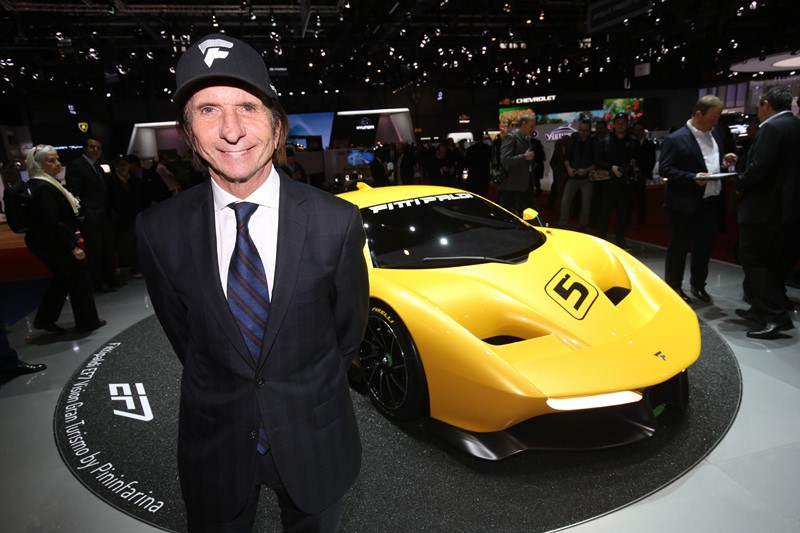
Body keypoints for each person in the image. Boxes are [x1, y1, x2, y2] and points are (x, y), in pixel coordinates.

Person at [135, 33, 370, 531]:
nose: (231, 130)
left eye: (247, 106)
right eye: (208, 110)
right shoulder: (158, 230)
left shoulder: (337, 222)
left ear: (277, 125)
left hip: (315, 437)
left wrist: (301, 385)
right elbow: (186, 337)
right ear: (189, 134)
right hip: (215, 441)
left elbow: (347, 332)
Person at [658, 95, 738, 304]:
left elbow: (712, 161)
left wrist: (724, 161)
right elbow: (665, 169)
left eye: (718, 117)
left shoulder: (716, 134)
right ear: (698, 114)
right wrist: (691, 177)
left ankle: (699, 284)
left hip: (711, 200)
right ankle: (673, 286)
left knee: (704, 246)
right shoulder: (676, 139)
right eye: (713, 117)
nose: (716, 122)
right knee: (679, 246)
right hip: (684, 202)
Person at [735, 85, 800, 339]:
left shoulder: (772, 128)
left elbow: (759, 167)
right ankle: (761, 309)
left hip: (765, 208)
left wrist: (739, 182)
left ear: (766, 104)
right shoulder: (795, 125)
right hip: (787, 208)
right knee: (773, 261)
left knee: (753, 258)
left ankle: (775, 316)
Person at [24, 145, 106, 333]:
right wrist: (72, 246)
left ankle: (44, 319)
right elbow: (52, 222)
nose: (57, 164)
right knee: (78, 278)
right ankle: (87, 323)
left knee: (63, 278)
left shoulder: (44, 184)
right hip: (53, 243)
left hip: (48, 241)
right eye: (51, 161)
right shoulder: (44, 186)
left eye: (58, 159)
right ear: (38, 164)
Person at [65, 135, 121, 293]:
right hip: (90, 216)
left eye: (98, 148)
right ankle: (98, 283)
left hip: (104, 215)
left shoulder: (97, 167)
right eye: (92, 147)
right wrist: (82, 214)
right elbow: (73, 192)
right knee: (95, 251)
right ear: (84, 148)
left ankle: (110, 279)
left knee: (108, 249)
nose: (96, 150)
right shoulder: (76, 165)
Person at [594, 112, 638, 249]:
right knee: (604, 212)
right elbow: (597, 160)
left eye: (623, 123)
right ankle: (601, 239)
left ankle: (620, 239)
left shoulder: (633, 141)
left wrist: (631, 167)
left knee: (623, 213)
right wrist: (611, 167)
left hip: (625, 182)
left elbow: (637, 159)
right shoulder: (605, 141)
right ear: (613, 125)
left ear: (627, 125)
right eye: (618, 123)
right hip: (608, 181)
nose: (620, 125)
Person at [107, 154, 145, 279]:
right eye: (120, 164)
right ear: (116, 166)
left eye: (126, 164)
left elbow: (140, 199)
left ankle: (138, 267)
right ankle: (128, 267)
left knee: (137, 244)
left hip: (135, 217)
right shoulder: (109, 181)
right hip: (119, 220)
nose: (123, 167)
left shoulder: (135, 180)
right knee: (124, 245)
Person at [498, 113, 536, 216]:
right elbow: (505, 159)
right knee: (507, 216)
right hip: (511, 187)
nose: (533, 129)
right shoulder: (511, 137)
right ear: (523, 124)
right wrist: (524, 157)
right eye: (531, 126)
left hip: (523, 185)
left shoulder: (526, 139)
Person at [560, 120, 595, 230]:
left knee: (586, 204)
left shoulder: (594, 143)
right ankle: (563, 224)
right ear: (579, 130)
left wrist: (586, 170)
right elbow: (566, 158)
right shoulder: (573, 143)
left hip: (587, 179)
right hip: (573, 178)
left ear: (589, 130)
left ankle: (582, 226)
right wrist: (569, 168)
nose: (583, 133)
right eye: (581, 130)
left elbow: (597, 162)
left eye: (586, 130)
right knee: (565, 201)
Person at [631, 121, 656, 228]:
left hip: (642, 175)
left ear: (644, 131)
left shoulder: (649, 144)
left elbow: (651, 161)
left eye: (640, 130)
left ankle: (641, 221)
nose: (637, 132)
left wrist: (646, 174)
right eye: (636, 130)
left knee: (640, 199)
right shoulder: (630, 143)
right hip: (630, 175)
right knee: (628, 199)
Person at [462, 132, 492, 196]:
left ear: (474, 138)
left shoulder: (470, 149)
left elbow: (465, 163)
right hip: (484, 176)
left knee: (473, 196)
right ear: (482, 137)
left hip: (473, 176)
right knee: (483, 195)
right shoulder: (488, 149)